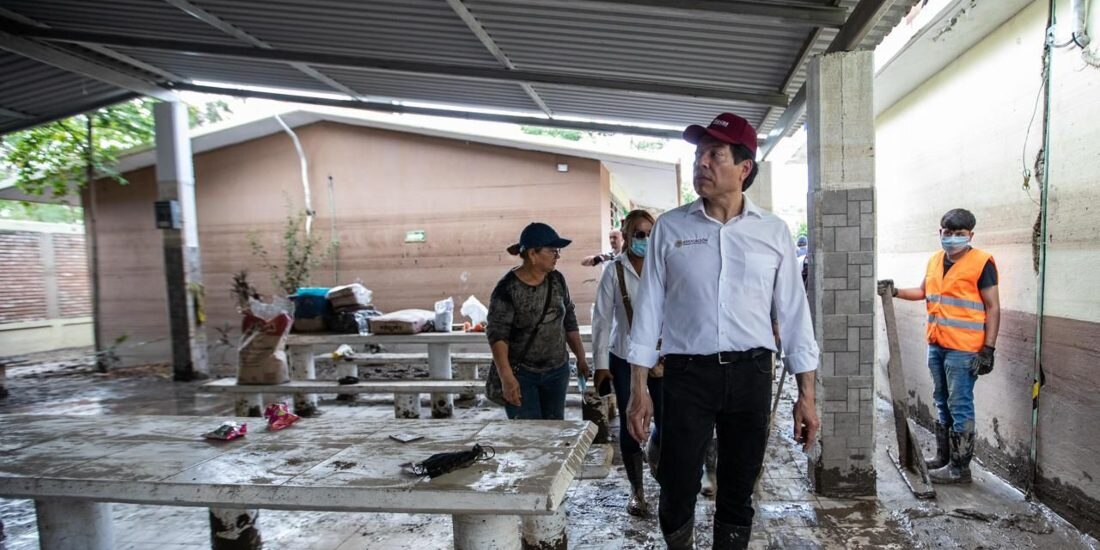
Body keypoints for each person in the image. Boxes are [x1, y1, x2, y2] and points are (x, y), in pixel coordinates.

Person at [625, 112, 820, 549]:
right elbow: (649, 310)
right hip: (685, 376)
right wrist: (639, 388)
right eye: (698, 155)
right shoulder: (670, 229)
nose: (702, 164)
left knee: (738, 490)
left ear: (744, 168)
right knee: (677, 485)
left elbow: (794, 314)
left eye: (715, 154)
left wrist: (806, 396)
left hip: (751, 375)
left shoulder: (773, 232)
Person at [879, 208, 1000, 484]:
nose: (953, 239)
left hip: (965, 349)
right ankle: (944, 459)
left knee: (960, 405)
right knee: (941, 402)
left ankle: (960, 469)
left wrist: (988, 349)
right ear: (940, 233)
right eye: (948, 233)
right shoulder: (935, 260)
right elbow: (923, 292)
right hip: (936, 344)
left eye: (960, 234)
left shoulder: (982, 263)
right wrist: (895, 291)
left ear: (971, 235)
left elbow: (993, 307)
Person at [591, 209, 663, 517]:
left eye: (649, 233)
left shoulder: (665, 267)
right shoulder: (614, 271)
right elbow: (602, 319)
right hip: (624, 357)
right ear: (628, 234)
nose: (644, 240)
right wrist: (600, 364)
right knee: (631, 420)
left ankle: (658, 461)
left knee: (668, 419)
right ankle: (637, 491)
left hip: (663, 358)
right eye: (639, 234)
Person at [488, 222, 591, 420]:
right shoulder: (507, 289)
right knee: (529, 437)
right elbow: (497, 334)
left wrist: (581, 356)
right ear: (533, 255)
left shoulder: (557, 280)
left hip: (557, 371)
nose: (557, 256)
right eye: (552, 250)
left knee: (554, 433)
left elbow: (568, 318)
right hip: (522, 374)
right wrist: (506, 376)